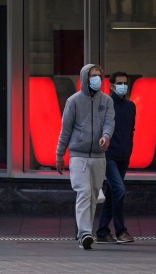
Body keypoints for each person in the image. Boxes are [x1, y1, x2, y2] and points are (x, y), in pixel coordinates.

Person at [56, 64, 115, 250]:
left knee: (94, 194)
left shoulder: (106, 101)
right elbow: (65, 129)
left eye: (99, 76)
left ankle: (85, 233)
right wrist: (60, 154)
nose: (96, 79)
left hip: (99, 156)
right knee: (84, 192)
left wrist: (106, 137)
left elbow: (109, 123)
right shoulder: (73, 102)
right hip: (78, 156)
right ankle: (85, 233)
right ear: (84, 78)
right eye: (92, 76)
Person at [96, 72, 136, 244]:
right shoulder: (105, 104)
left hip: (124, 155)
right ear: (111, 85)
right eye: (119, 83)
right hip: (109, 155)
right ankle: (121, 230)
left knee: (112, 192)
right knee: (118, 189)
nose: (123, 86)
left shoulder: (130, 106)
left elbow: (130, 130)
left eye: (125, 83)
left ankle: (103, 231)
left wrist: (129, 150)